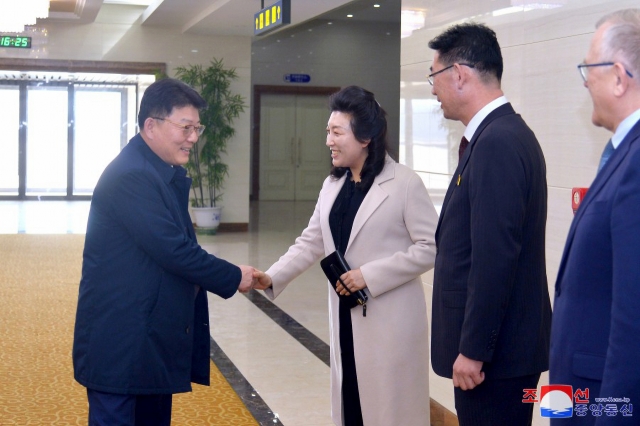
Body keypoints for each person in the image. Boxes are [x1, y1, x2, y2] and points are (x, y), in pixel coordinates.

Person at [72, 78, 255, 426]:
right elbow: (174, 250)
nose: (194, 137)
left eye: (196, 128)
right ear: (151, 126)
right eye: (185, 127)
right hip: (122, 342)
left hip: (145, 338)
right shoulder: (132, 176)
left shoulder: (158, 171)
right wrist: (234, 276)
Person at [253, 86, 438, 426]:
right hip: (346, 315)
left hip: (390, 322)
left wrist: (370, 274)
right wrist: (272, 275)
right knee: (352, 402)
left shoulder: (404, 184)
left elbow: (431, 247)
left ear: (365, 137)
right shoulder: (332, 184)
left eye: (336, 132)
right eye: (328, 131)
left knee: (388, 410)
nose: (328, 141)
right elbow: (311, 241)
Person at [427, 23, 552, 425]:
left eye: (434, 76)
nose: (432, 89)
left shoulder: (498, 142)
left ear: (459, 74)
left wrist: (474, 350)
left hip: (494, 362)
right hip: (500, 355)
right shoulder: (499, 135)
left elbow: (495, 257)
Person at [550, 9, 640, 424]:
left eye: (590, 68)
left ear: (620, 77)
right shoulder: (623, 155)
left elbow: (633, 316)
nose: (585, 80)